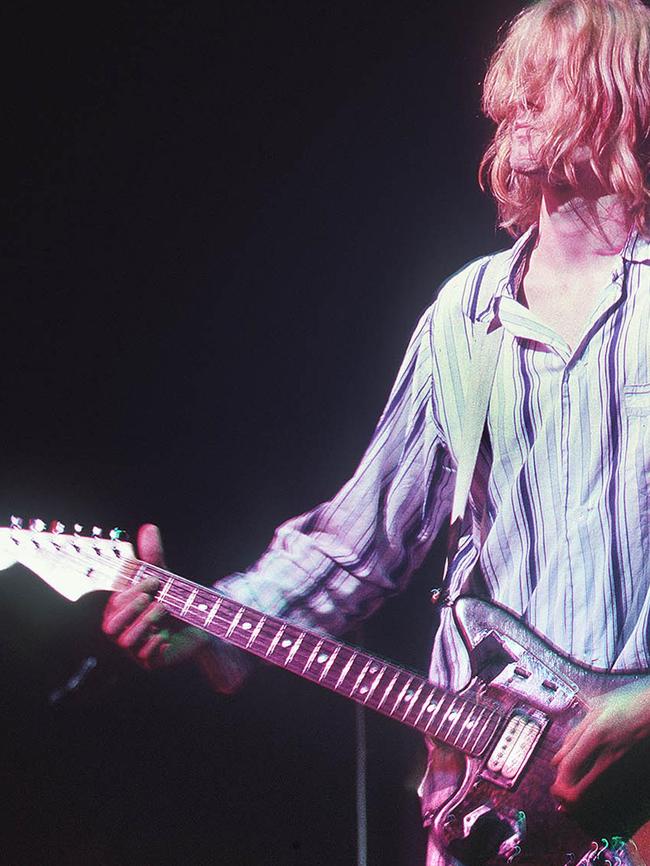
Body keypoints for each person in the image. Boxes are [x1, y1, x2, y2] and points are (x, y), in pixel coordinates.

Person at [102, 1, 650, 863]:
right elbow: (358, 545)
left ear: (622, 96)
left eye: (548, 77)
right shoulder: (464, 321)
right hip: (493, 818)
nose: (512, 99)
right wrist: (216, 618)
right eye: (512, 80)